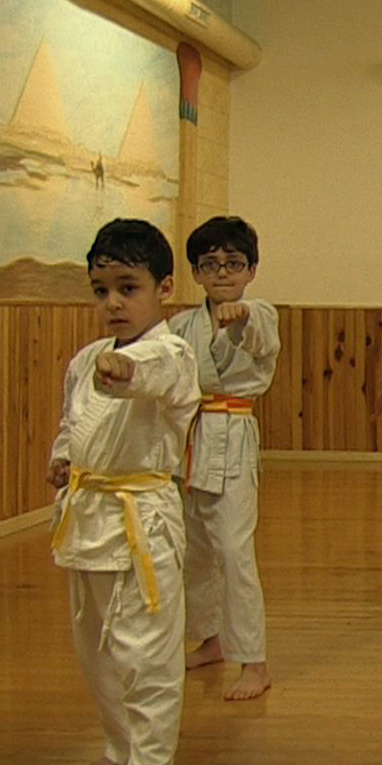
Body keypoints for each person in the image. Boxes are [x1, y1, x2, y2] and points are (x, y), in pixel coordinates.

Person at [48, 218, 200, 765]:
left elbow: (152, 373)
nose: (112, 302)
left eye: (127, 287)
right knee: (96, 650)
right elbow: (72, 423)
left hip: (144, 516)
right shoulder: (86, 359)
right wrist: (63, 459)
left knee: (147, 657)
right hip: (88, 515)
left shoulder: (171, 352)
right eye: (100, 289)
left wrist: (124, 373)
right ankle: (121, 742)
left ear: (163, 289)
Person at [170, 215, 278, 701]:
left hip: (232, 433)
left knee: (234, 551)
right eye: (210, 264)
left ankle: (254, 660)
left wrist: (243, 320)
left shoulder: (261, 313)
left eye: (233, 263)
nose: (222, 273)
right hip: (189, 437)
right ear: (195, 272)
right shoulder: (180, 325)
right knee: (194, 550)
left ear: (251, 269)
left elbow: (262, 342)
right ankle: (210, 637)